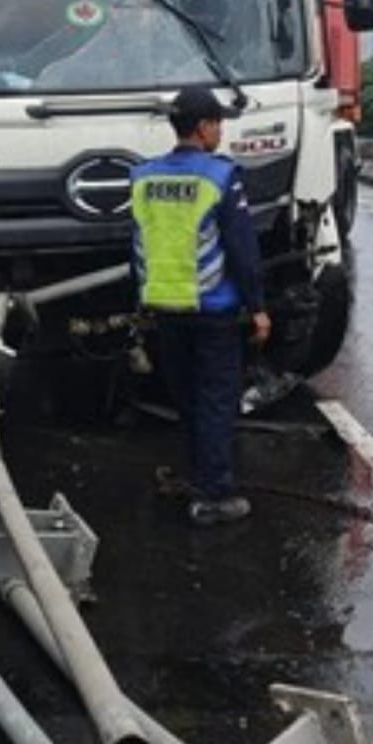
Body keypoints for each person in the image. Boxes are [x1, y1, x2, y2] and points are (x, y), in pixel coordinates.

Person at [131, 85, 271, 527]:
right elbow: (243, 251)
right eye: (218, 123)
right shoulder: (219, 176)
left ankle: (192, 475)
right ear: (204, 127)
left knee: (187, 398)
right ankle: (213, 494)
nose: (222, 131)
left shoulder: (144, 176)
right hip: (212, 308)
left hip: (164, 305)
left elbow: (135, 243)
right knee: (215, 400)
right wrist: (259, 307)